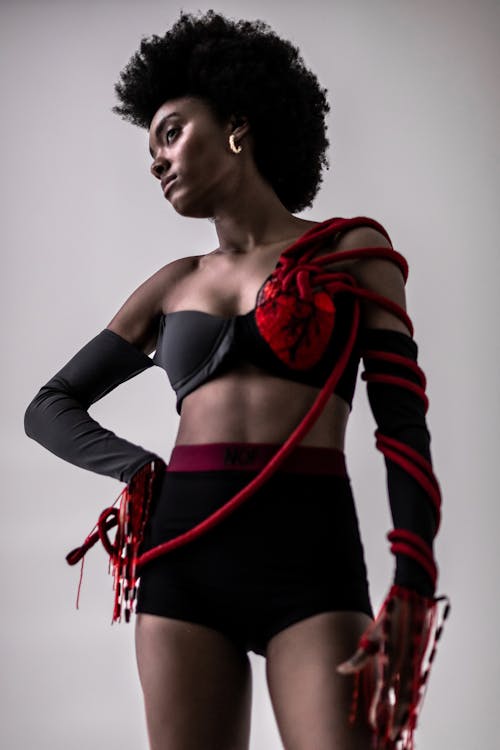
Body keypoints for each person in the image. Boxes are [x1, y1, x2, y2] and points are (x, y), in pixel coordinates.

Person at [24, 10, 447, 750]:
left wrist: (413, 574)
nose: (156, 159)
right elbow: (49, 406)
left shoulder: (351, 249)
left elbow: (402, 426)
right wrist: (139, 471)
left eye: (170, 131)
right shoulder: (172, 285)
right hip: (182, 554)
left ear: (238, 126)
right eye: (150, 145)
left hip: (310, 553)